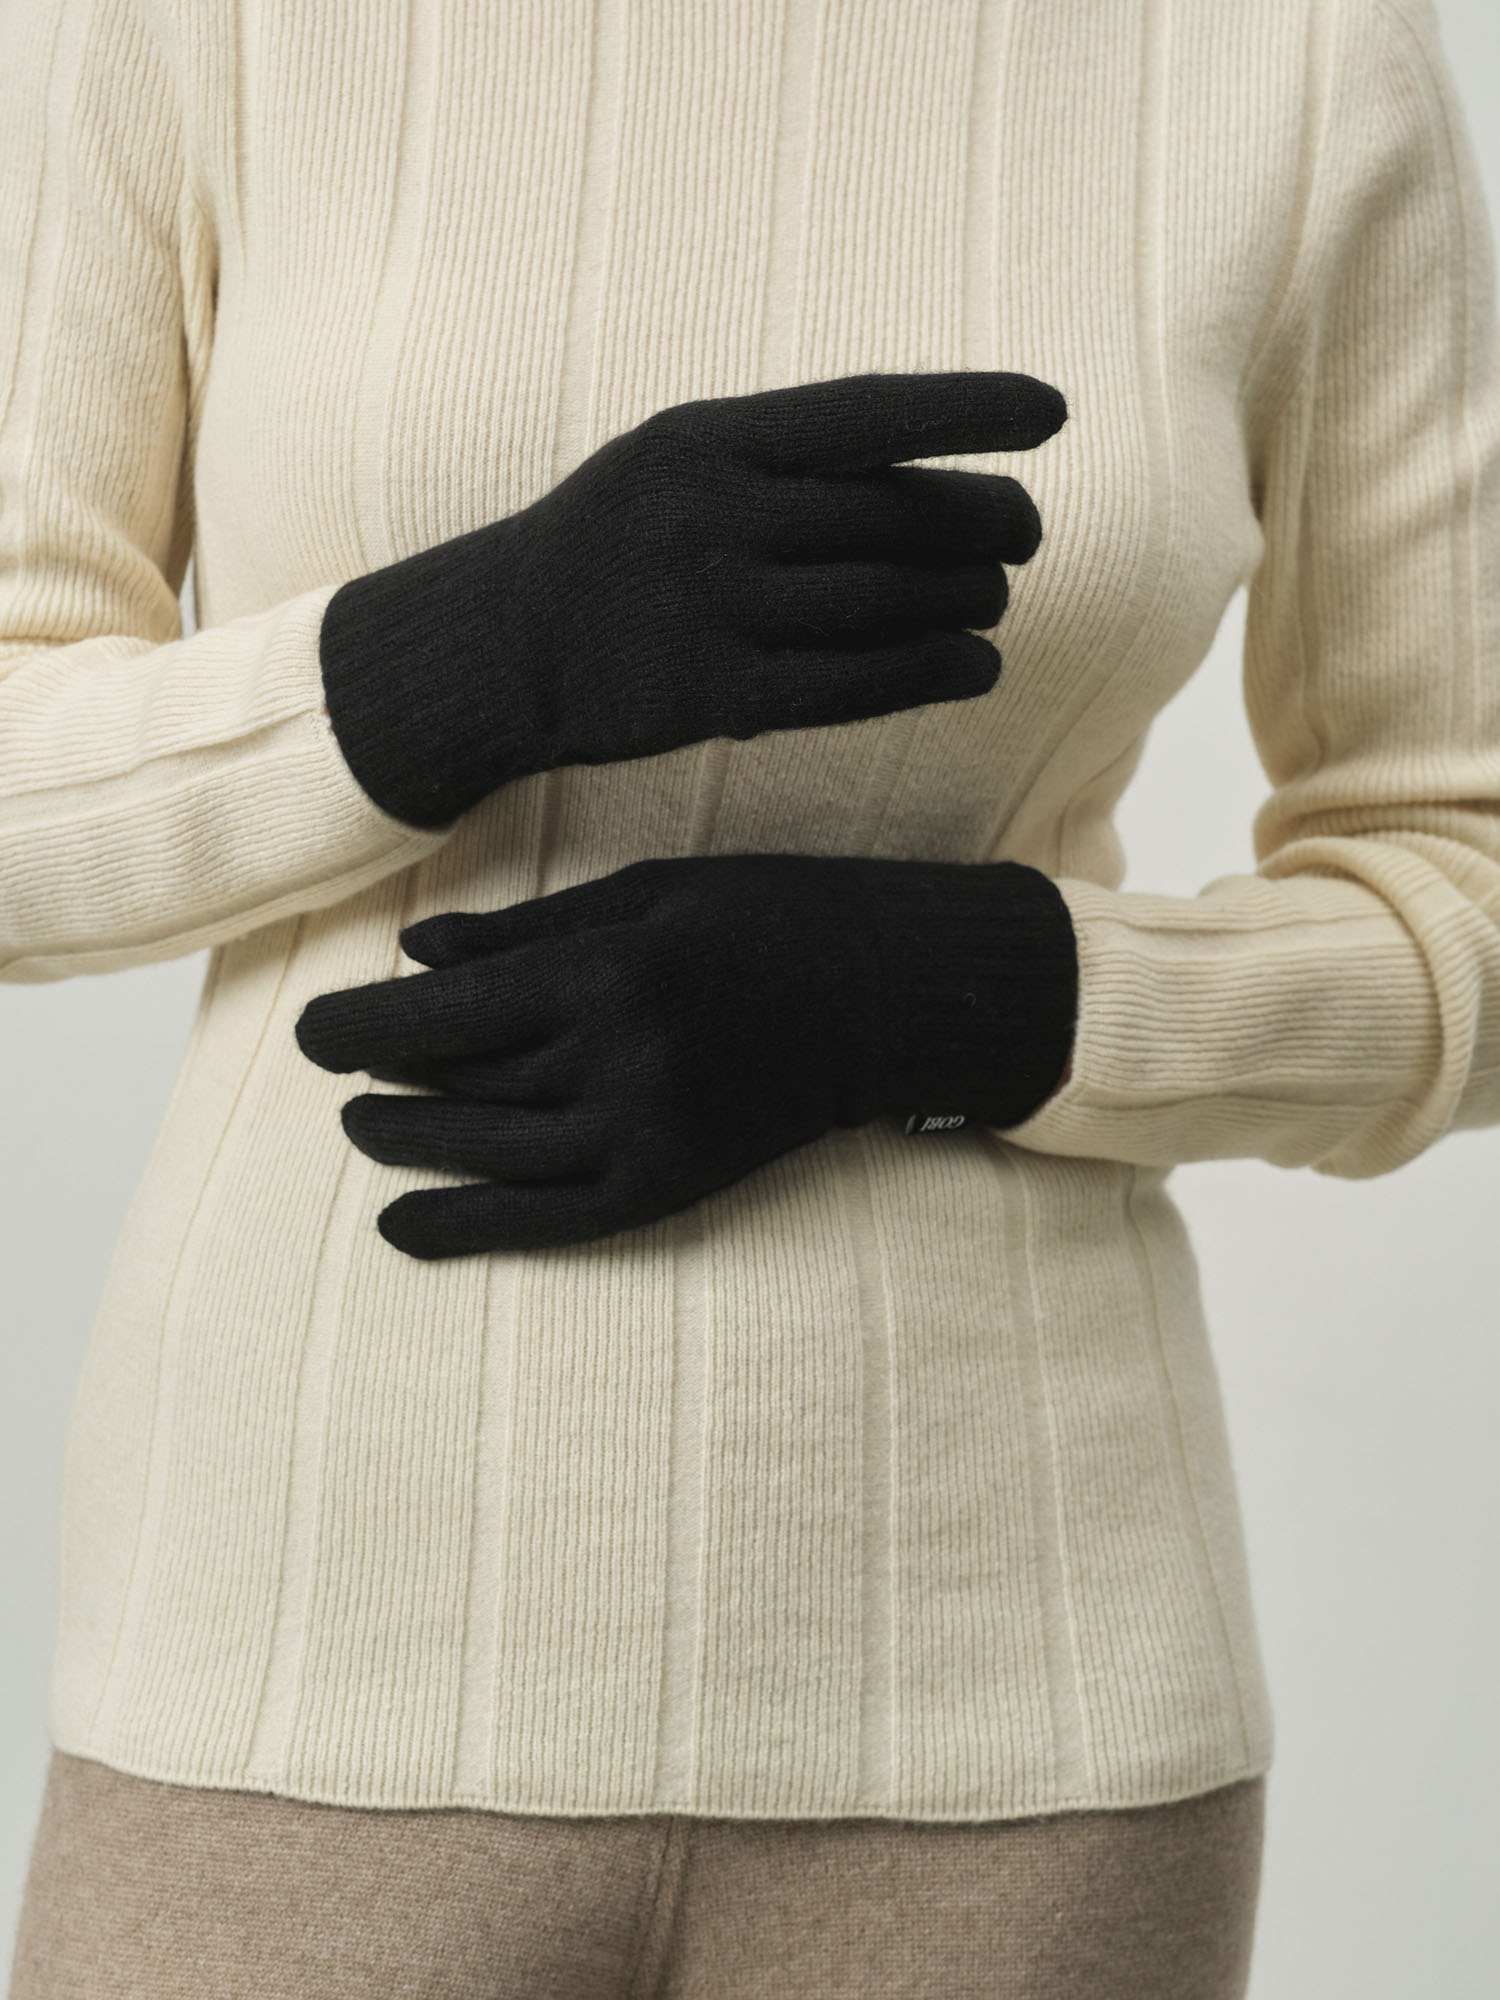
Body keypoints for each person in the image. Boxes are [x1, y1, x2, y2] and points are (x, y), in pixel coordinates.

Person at [3, 0, 1497, 1992]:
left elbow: (1465, 878)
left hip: (1020, 1716)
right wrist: (464, 656)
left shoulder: (1294, 57)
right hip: (300, 1667)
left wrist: (964, 999)